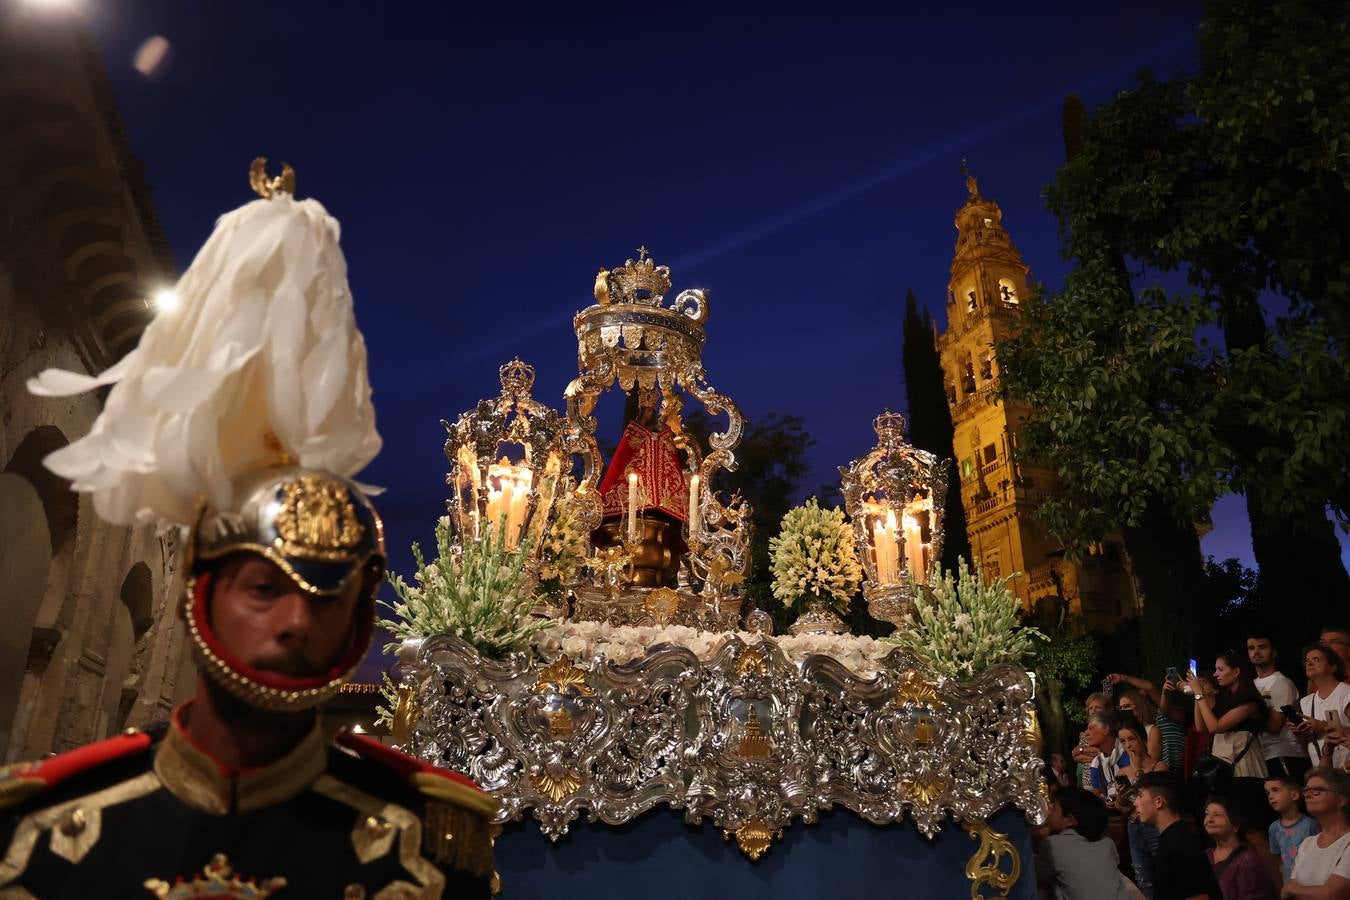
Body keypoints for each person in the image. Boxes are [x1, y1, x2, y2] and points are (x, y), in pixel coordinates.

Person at [0, 163, 497, 896]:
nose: (297, 622)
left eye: (328, 598)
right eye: (265, 588)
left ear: (360, 620)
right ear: (196, 592)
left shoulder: (422, 841)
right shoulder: (48, 827)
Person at [1191, 652, 1271, 826]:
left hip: (1245, 771)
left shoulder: (1249, 700)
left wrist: (1198, 693)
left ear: (1236, 672)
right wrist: (1198, 696)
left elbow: (1215, 726)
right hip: (1223, 772)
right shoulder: (1225, 699)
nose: (1215, 674)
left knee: (1249, 828)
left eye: (1220, 669)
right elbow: (1201, 727)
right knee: (1227, 828)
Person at [1035, 785, 1137, 899]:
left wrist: (1039, 836)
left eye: (1053, 807)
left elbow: (1033, 874)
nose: (1048, 809)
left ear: (1069, 820)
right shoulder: (1108, 844)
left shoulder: (1052, 845)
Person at [1135, 772, 1223, 900]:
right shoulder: (1171, 838)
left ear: (1158, 801)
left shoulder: (1180, 843)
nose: (1135, 803)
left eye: (1140, 796)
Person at [1250, 632, 1313, 780]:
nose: (1256, 651)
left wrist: (1250, 711)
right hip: (1263, 754)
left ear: (1274, 652)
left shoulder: (1281, 683)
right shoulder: (1252, 684)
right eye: (1251, 648)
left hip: (1286, 753)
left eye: (1262, 647)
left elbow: (1274, 727)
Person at [1120, 717, 1170, 898]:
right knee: (1144, 882)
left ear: (1143, 739)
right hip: (1134, 828)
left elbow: (1158, 800)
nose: (1128, 745)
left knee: (1165, 877)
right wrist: (1118, 801)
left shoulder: (1159, 766)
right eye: (1123, 741)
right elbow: (1126, 807)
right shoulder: (1122, 771)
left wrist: (1137, 772)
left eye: (1131, 739)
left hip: (1155, 827)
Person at [1283, 769, 1350, 897]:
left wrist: (1293, 889)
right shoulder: (1308, 843)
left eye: (1317, 790)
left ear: (1341, 799)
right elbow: (1287, 892)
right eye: (1306, 790)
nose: (1307, 795)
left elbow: (1331, 895)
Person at [1202, 795, 1280, 899]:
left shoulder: (1247, 861)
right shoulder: (1205, 855)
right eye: (1207, 814)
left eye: (1217, 815)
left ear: (1235, 826)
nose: (1209, 819)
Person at [1295, 644, 1350, 772]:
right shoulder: (1306, 701)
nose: (1309, 663)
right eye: (1307, 661)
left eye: (1316, 659)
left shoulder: (1346, 693)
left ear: (1333, 667)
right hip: (1323, 771)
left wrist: (1322, 726)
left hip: (1345, 770)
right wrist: (1300, 732)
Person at [1266, 773, 1321, 887]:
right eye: (1268, 793)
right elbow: (1279, 859)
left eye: (1275, 790)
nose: (1270, 796)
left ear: (1294, 795)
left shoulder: (1310, 825)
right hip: (1290, 885)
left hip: (1311, 884)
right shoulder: (1274, 828)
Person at [1120, 689, 1168, 767]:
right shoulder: (1121, 732)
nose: (1123, 711)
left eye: (1127, 706)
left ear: (1139, 706)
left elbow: (1152, 762)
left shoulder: (1153, 730)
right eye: (1121, 708)